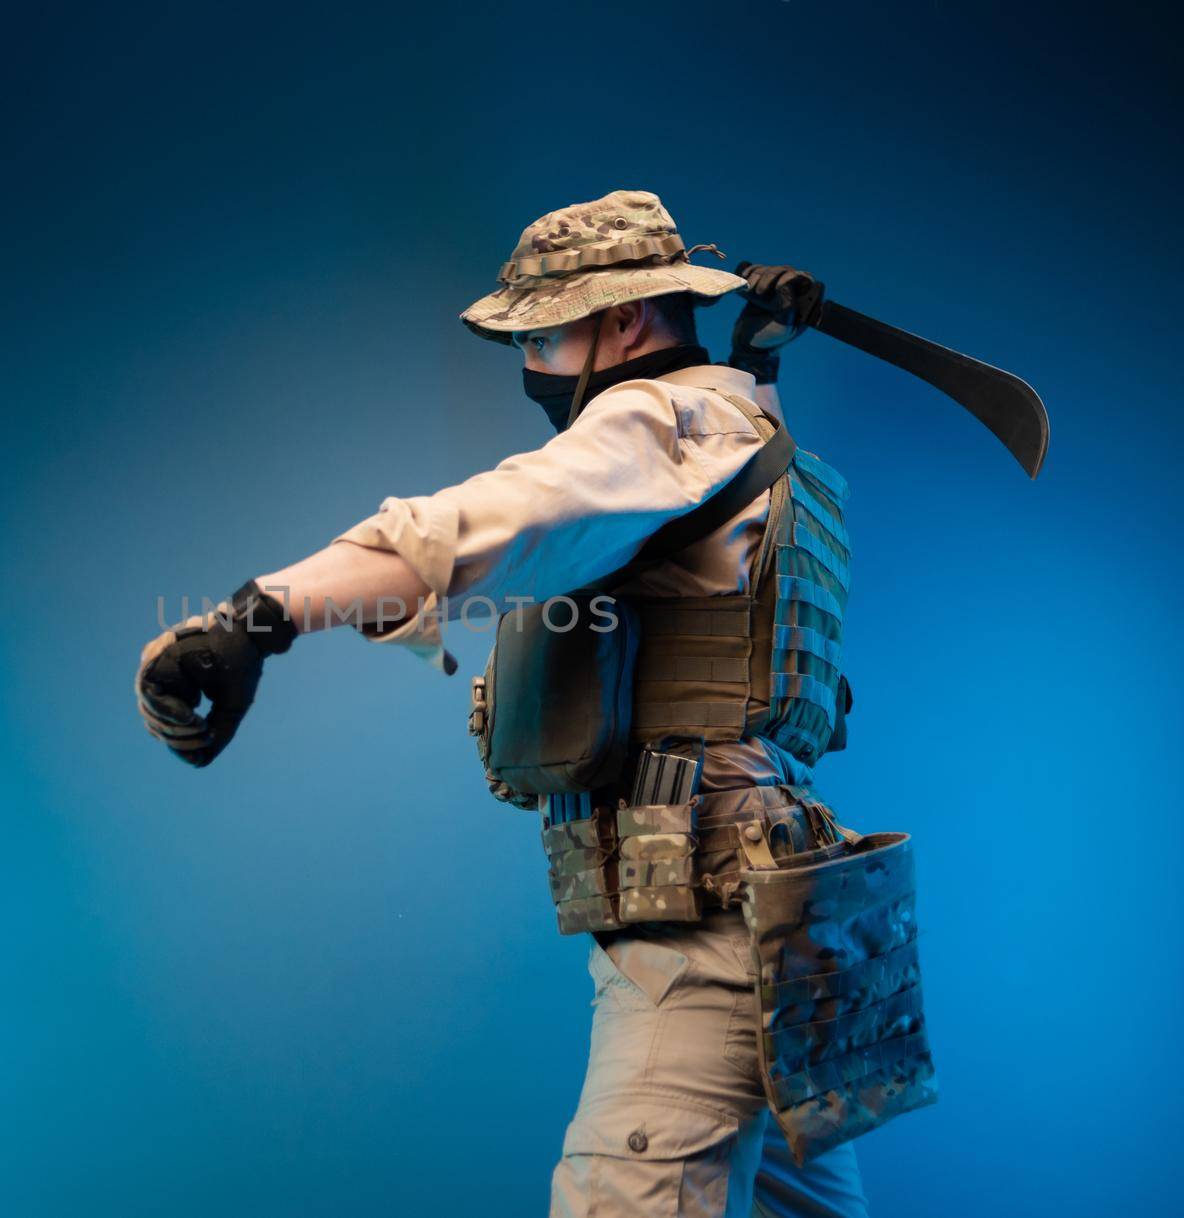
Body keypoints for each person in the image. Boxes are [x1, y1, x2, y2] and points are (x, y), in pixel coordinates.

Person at [136, 190, 931, 1216]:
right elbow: (719, 592)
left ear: (624, 322)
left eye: (548, 335)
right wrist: (760, 362)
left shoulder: (663, 416)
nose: (533, 367)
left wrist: (257, 616)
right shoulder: (735, 423)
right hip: (767, 921)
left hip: (700, 938)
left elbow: (490, 520)